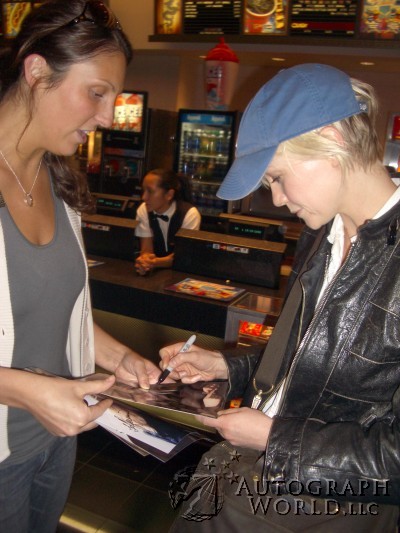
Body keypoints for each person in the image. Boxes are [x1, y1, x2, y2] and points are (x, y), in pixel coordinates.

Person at [157, 64, 400, 531]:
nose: (277, 198)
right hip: (245, 480)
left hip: (326, 510)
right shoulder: (320, 235)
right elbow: (307, 367)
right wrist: (230, 368)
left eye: (276, 177)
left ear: (333, 140)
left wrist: (272, 439)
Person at [0, 2, 161, 531]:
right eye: (97, 92)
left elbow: (52, 311)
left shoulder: (60, 183)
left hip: (55, 446)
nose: (109, 117)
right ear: (37, 71)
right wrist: (28, 392)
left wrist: (120, 358)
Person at [134, 168, 201, 275]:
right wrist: (144, 262)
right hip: (155, 272)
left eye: (150, 191)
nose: (144, 197)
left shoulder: (190, 214)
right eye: (143, 191)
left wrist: (154, 262)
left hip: (182, 272)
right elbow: (146, 250)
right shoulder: (143, 209)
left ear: (169, 194)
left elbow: (181, 257)